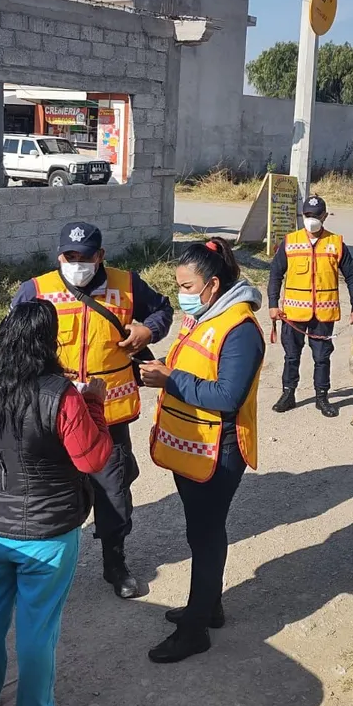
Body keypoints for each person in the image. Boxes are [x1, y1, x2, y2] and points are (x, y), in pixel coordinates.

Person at [0, 300, 112, 706]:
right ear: (48, 342)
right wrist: (95, 403)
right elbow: (92, 459)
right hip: (47, 535)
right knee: (37, 629)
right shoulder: (61, 396)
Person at [11, 221, 173, 600]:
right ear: (59, 256)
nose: (78, 263)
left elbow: (162, 310)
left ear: (101, 256)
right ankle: (41, 565)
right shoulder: (36, 290)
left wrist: (149, 331)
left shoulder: (128, 284)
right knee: (44, 491)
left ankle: (114, 562)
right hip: (52, 410)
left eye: (87, 256)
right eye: (71, 256)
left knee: (113, 490)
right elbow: (12, 339)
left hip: (109, 413)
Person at [139, 238, 265, 663]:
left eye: (188, 286)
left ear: (212, 285)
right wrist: (160, 370)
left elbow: (228, 395)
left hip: (219, 450)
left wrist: (168, 379)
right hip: (194, 446)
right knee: (200, 531)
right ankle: (207, 607)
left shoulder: (240, 328)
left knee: (207, 535)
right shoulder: (207, 317)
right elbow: (193, 369)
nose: (182, 294)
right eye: (179, 286)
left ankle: (195, 631)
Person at [268, 195, 353, 417]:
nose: (311, 219)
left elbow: (352, 276)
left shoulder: (336, 243)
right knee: (291, 355)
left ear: (325, 216)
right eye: (308, 215)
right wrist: (273, 304)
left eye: (316, 215)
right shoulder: (290, 242)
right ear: (303, 216)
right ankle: (288, 394)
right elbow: (275, 275)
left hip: (323, 313)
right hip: (292, 313)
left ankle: (322, 397)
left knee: (322, 357)